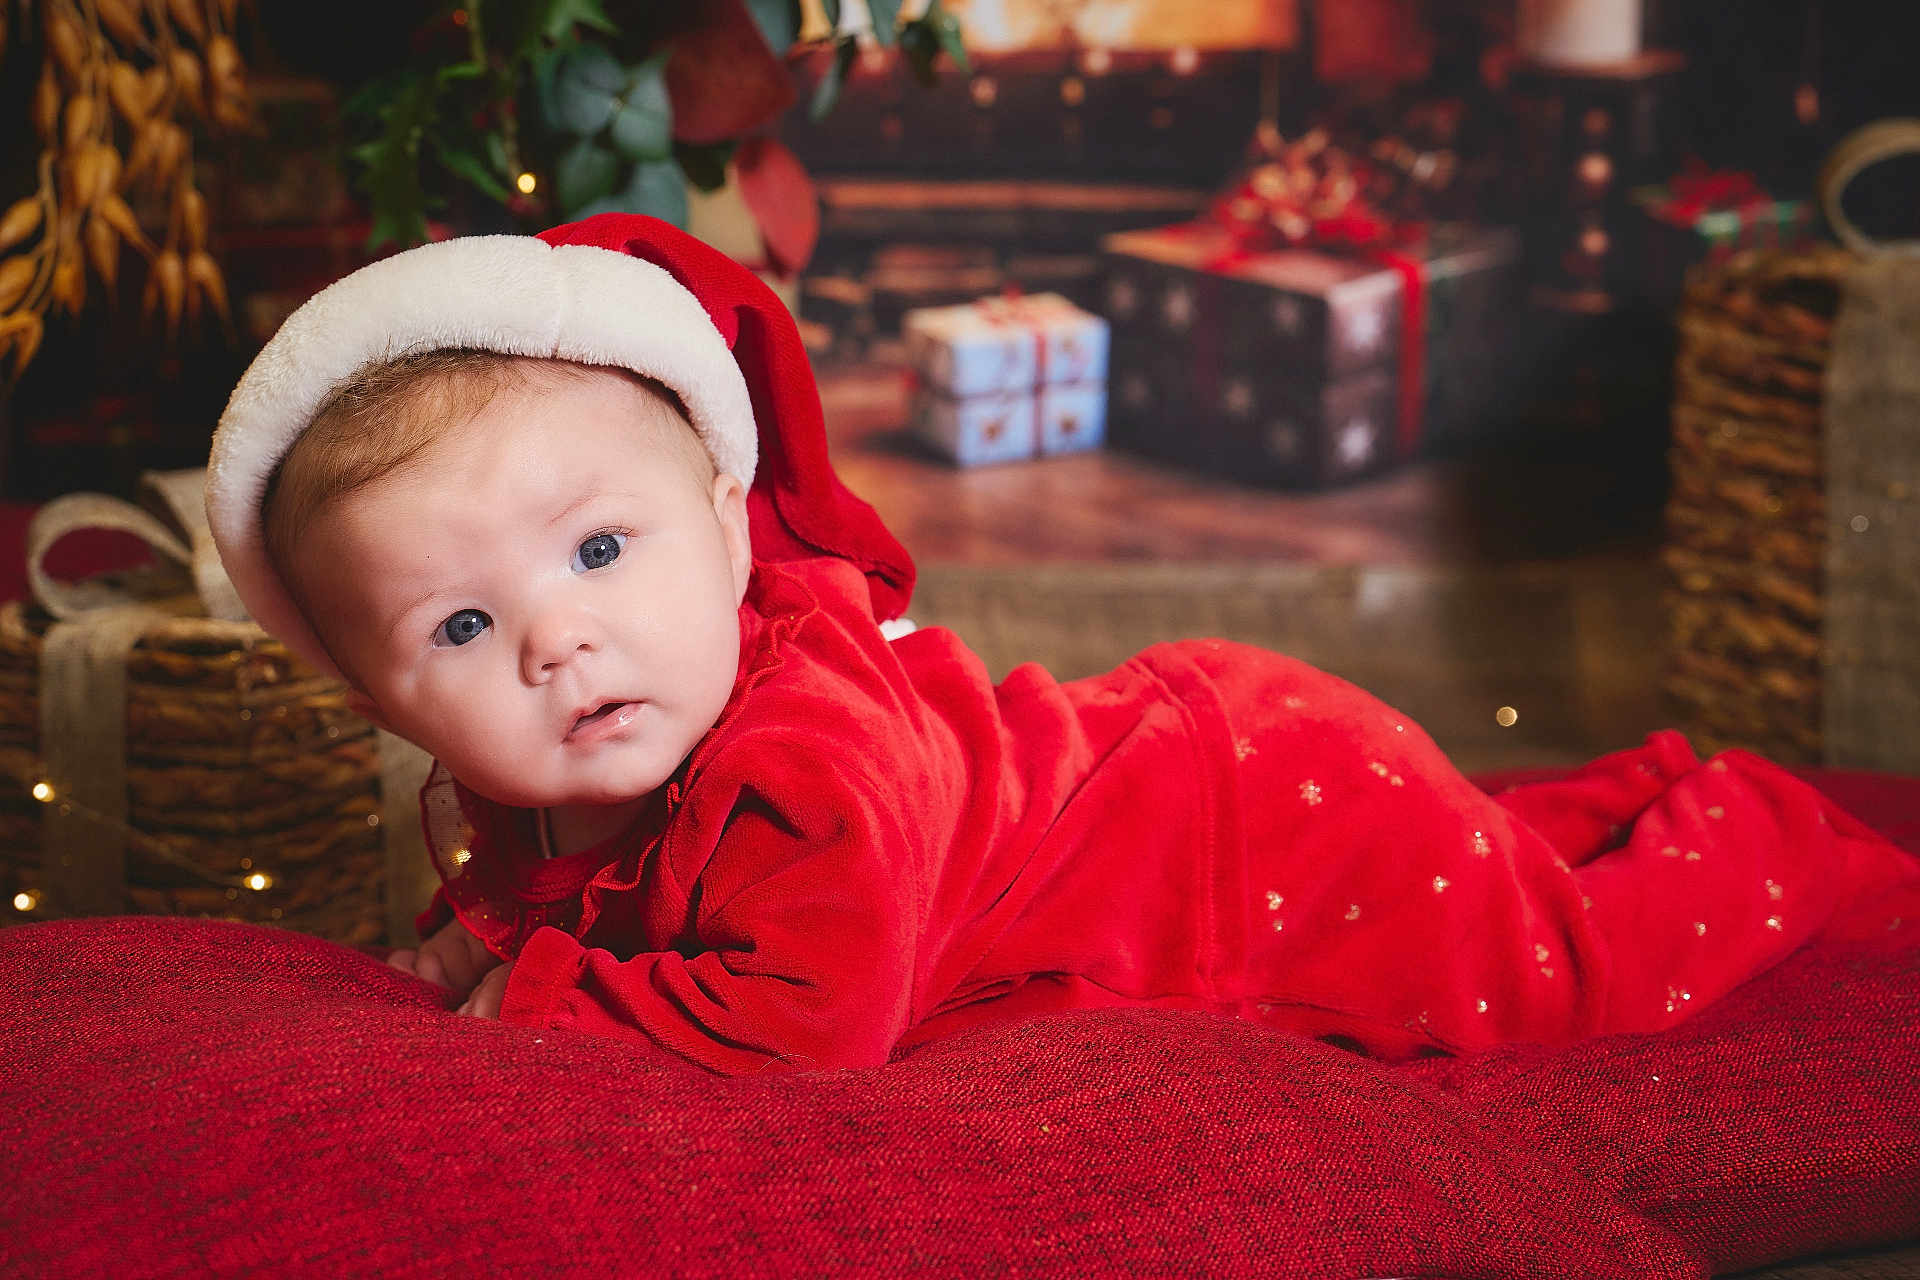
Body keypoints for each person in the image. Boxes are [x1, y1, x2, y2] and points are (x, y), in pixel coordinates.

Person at [205, 214, 1920, 1077]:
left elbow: (814, 1020)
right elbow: (548, 878)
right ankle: (1597, 803)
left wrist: (538, 997)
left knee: (1555, 987)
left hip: (1247, 817)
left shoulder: (801, 759)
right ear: (376, 694)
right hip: (1196, 759)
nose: (560, 643)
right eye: (462, 625)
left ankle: (1763, 825)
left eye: (597, 549)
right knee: (1495, 853)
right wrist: (450, 951)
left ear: (730, 530)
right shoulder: (589, 742)